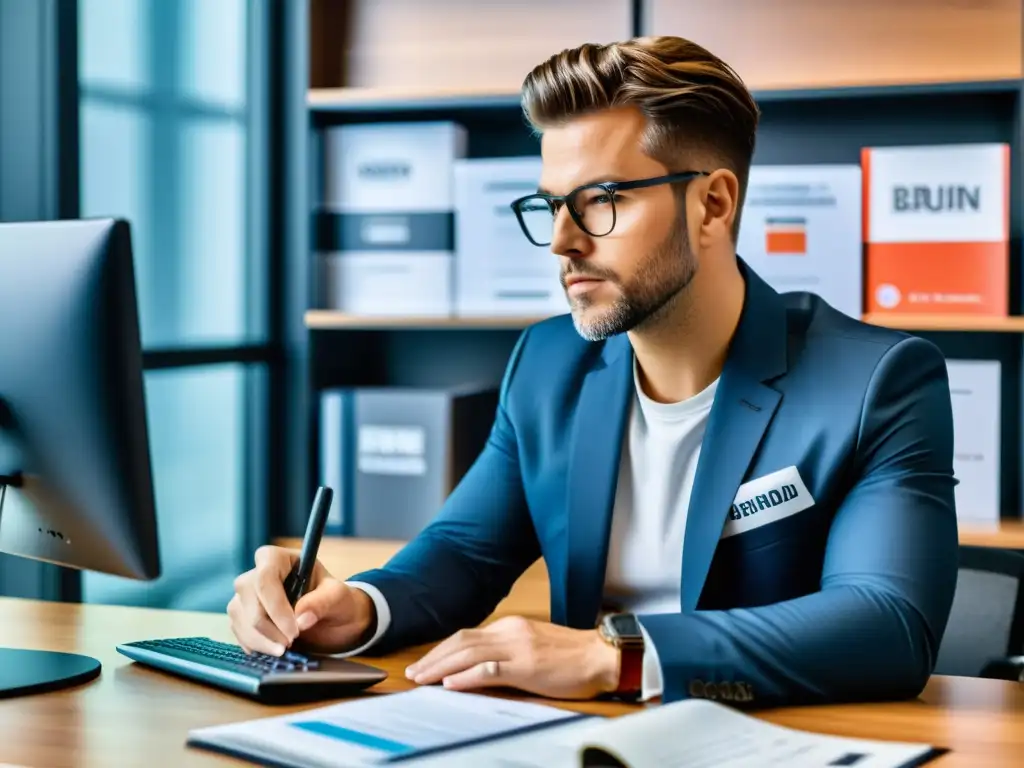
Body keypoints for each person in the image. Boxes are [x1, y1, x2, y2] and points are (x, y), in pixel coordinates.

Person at [228, 35, 960, 708]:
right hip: (581, 740)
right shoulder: (548, 361)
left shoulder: (878, 381)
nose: (561, 242)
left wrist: (621, 656)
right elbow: (462, 553)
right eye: (549, 207)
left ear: (713, 203)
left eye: (600, 201)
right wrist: (354, 608)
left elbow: (887, 623)